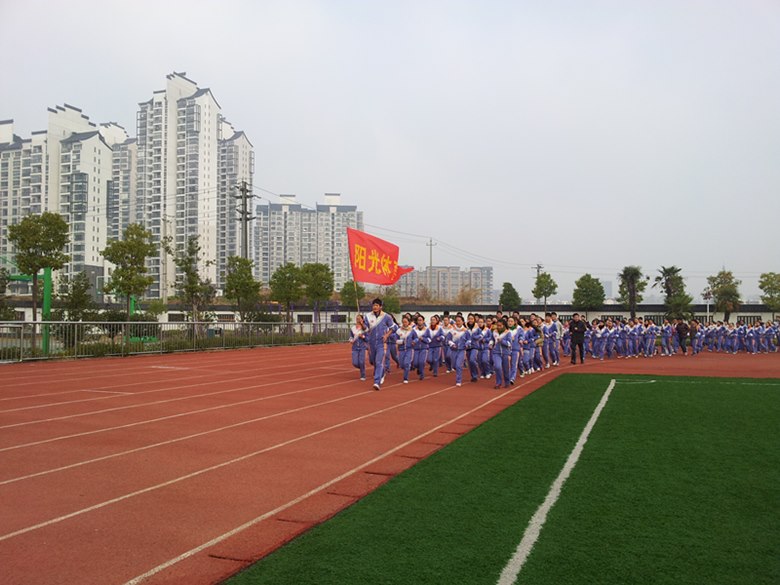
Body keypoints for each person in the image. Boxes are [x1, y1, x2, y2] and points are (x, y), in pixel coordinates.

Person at [363, 298, 397, 390]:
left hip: (381, 343)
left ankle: (376, 382)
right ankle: (382, 373)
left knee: (378, 362)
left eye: (377, 305)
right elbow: (366, 329)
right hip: (371, 342)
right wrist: (362, 325)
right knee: (373, 361)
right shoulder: (367, 316)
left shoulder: (386, 317)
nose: (375, 307)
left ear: (380, 307)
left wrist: (386, 335)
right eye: (374, 305)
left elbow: (393, 328)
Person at [349, 314, 367, 380]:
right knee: (355, 363)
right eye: (357, 318)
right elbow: (351, 336)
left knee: (361, 362)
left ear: (362, 320)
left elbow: (367, 338)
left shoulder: (365, 328)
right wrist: (351, 340)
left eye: (359, 318)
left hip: (362, 347)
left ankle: (363, 375)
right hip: (355, 347)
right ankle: (362, 368)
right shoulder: (353, 328)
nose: (358, 320)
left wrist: (363, 336)